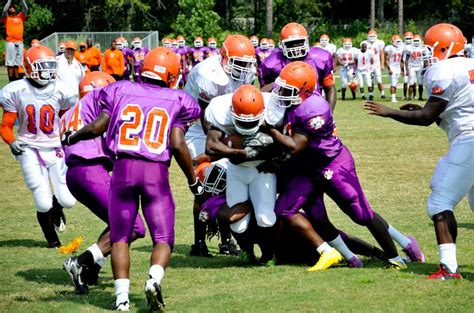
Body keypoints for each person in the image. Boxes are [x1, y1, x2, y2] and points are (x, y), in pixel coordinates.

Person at [62, 47, 202, 311]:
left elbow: (97, 126)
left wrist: (73, 137)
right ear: (172, 75)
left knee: (121, 238)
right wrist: (192, 180)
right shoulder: (179, 99)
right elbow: (177, 142)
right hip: (155, 173)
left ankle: (122, 300)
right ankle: (154, 280)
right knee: (163, 238)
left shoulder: (120, 89)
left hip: (123, 169)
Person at [269, 61, 425, 270]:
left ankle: (396, 255)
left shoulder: (313, 108)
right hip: (308, 167)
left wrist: (268, 130)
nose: (280, 93)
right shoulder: (294, 102)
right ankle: (350, 257)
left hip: (332, 165)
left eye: (286, 90)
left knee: (361, 214)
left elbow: (295, 146)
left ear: (305, 91)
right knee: (311, 215)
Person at [364, 23, 473, 280]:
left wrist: (388, 111)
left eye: (430, 48)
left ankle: (448, 269)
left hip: (469, 141)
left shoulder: (443, 70)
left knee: (440, 202)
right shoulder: (468, 65)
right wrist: (421, 111)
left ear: (444, 48)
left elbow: (426, 117)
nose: (426, 54)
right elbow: (449, 110)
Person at [61, 72, 147, 295]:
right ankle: (80, 262)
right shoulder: (101, 100)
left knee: (117, 220)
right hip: (90, 170)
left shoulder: (70, 112)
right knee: (134, 226)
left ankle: (92, 268)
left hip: (75, 174)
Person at [184, 34, 257, 257]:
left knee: (229, 182)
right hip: (198, 128)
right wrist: (221, 146)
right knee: (207, 183)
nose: (244, 69)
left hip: (227, 126)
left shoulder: (247, 73)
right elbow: (208, 120)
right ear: (224, 58)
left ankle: (226, 241)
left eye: (247, 64)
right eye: (239, 63)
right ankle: (199, 243)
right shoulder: (208, 74)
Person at [0, 45, 77, 248]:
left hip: (54, 146)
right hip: (29, 148)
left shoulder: (61, 90)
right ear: (29, 67)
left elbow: (66, 119)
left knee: (68, 200)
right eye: (44, 67)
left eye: (51, 66)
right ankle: (52, 239)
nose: (49, 72)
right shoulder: (17, 90)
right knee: (42, 203)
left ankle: (57, 207)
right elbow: (6, 126)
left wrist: (70, 135)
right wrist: (12, 141)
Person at [204, 85, 279, 264]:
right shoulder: (219, 109)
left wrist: (270, 158)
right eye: (242, 121)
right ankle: (247, 252)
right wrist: (241, 153)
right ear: (232, 111)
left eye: (251, 122)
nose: (246, 125)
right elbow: (211, 146)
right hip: (236, 170)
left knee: (265, 218)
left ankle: (269, 254)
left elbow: (283, 142)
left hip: (262, 169)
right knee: (238, 223)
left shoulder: (274, 108)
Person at [258, 22, 337, 111]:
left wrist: (328, 114)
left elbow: (330, 88)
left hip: (313, 108)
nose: (295, 47)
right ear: (282, 44)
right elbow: (264, 93)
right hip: (283, 112)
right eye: (291, 43)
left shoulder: (321, 57)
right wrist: (278, 83)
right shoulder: (271, 63)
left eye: (299, 42)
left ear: (306, 41)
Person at [2, 0, 28, 82]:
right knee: (10, 64)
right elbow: (4, 10)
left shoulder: (20, 17)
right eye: (11, 7)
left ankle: (16, 81)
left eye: (13, 7)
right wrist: (9, 1)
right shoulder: (6, 18)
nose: (12, 8)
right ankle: (11, 80)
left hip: (19, 42)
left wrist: (22, 1)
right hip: (11, 42)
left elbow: (25, 9)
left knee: (17, 64)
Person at [362, 30, 386, 99]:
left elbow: (382, 54)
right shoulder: (364, 43)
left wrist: (382, 64)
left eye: (373, 36)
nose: (372, 38)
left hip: (376, 64)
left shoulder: (379, 43)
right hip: (368, 65)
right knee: (370, 80)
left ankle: (382, 93)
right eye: (370, 36)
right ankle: (371, 94)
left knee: (379, 80)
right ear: (368, 36)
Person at [404, 34, 425, 100]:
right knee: (411, 82)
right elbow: (406, 60)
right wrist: (407, 69)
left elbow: (425, 59)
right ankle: (409, 97)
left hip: (420, 67)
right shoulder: (409, 48)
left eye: (417, 40)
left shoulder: (423, 48)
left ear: (420, 41)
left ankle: (420, 97)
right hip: (412, 67)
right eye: (415, 40)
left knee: (420, 82)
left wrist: (425, 67)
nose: (416, 42)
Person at [384, 35, 404, 103]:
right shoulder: (389, 48)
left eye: (399, 41)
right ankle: (393, 98)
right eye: (396, 41)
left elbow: (401, 60)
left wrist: (402, 70)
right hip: (392, 67)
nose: (398, 43)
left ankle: (394, 97)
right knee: (393, 83)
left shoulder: (401, 48)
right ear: (392, 41)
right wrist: (389, 69)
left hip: (398, 68)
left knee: (395, 83)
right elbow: (386, 60)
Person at [402, 32, 414, 100]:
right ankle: (404, 95)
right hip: (405, 64)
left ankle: (413, 95)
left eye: (410, 38)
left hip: (413, 65)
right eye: (407, 38)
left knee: (413, 82)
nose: (409, 40)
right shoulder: (403, 46)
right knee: (405, 81)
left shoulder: (415, 46)